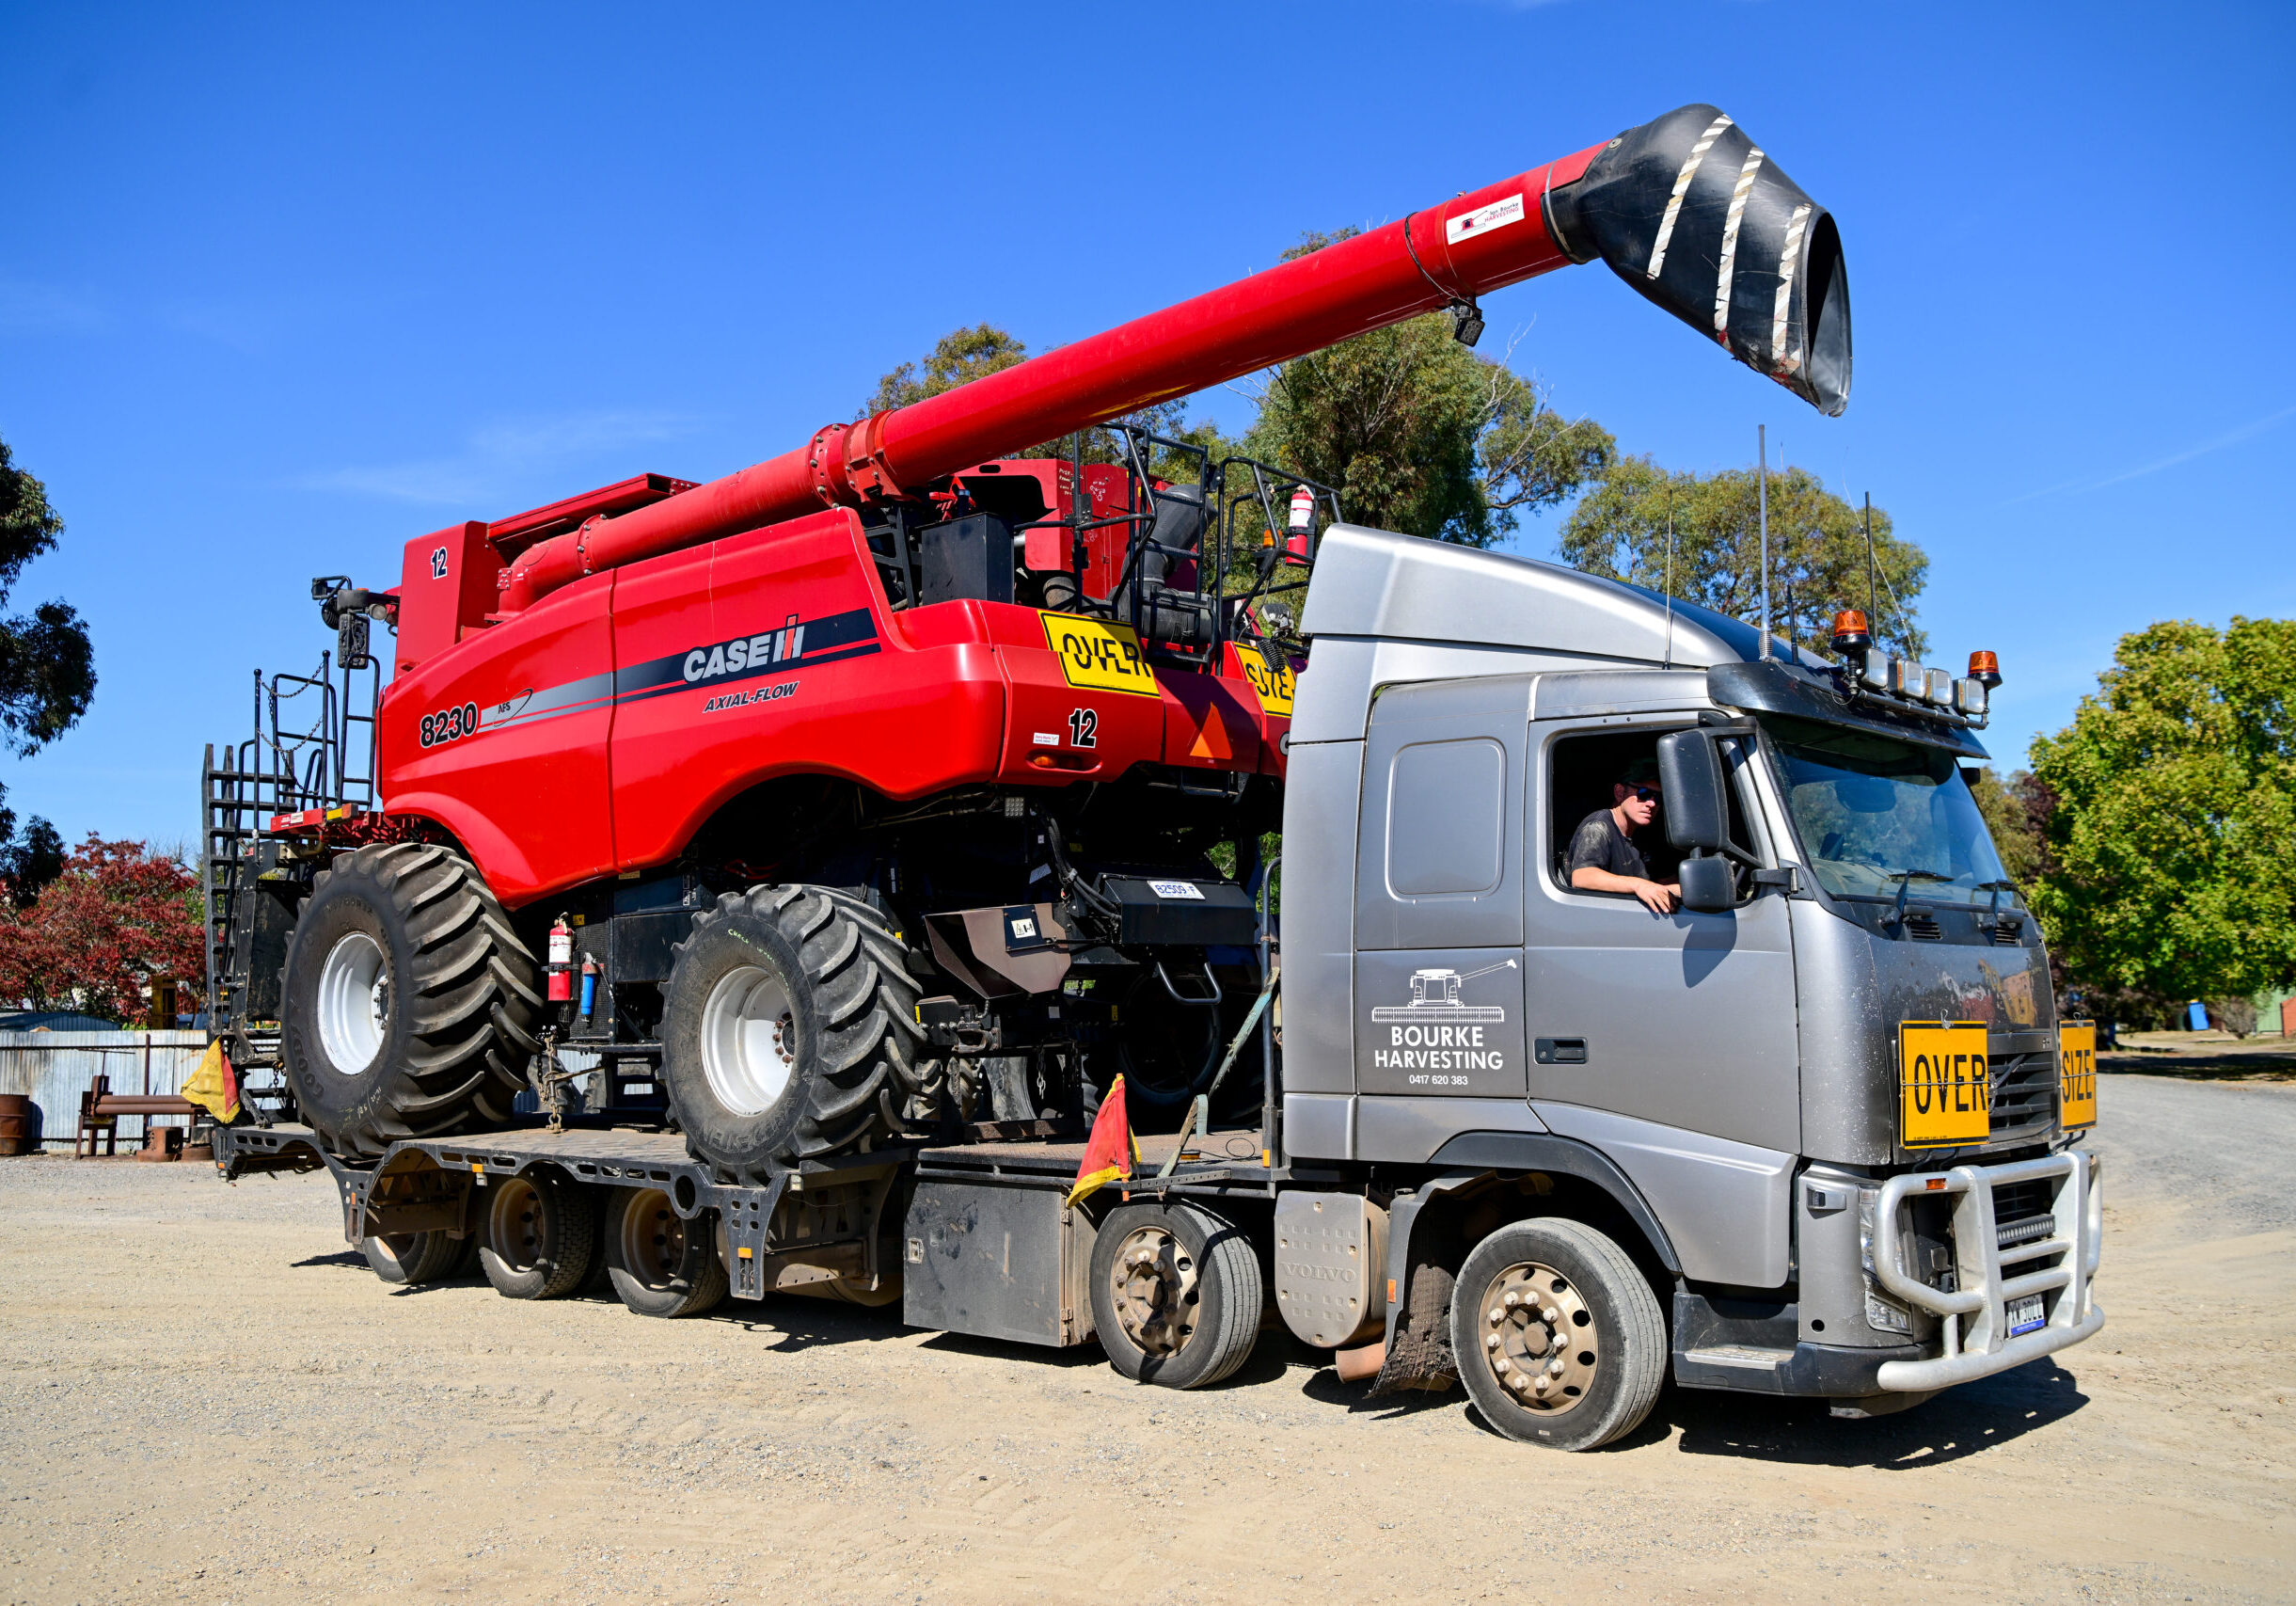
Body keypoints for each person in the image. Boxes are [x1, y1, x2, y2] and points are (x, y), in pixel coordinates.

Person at [1567, 758, 1680, 914]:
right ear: (1620, 793)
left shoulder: (1643, 832)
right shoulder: (1598, 827)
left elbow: (1662, 880)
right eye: (1644, 794)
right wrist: (1639, 885)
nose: (1652, 804)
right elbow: (1583, 876)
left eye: (1658, 797)